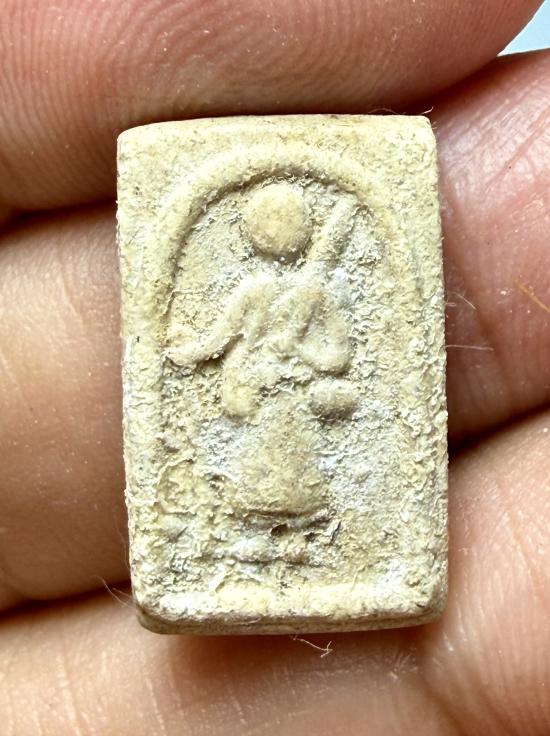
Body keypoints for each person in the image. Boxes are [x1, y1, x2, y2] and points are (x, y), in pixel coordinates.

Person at [0, 1, 548, 733]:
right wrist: (193, 350)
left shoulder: (315, 295)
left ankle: (309, 545)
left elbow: (338, 352)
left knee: (300, 473)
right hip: (254, 397)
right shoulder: (255, 291)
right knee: (257, 473)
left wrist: (304, 356)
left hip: (295, 401)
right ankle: (258, 546)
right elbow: (217, 337)